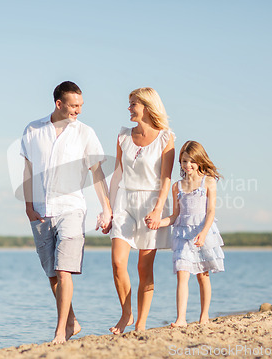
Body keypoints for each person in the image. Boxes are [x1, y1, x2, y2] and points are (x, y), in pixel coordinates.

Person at [20, 81, 112, 344]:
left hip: (72, 209)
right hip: (40, 211)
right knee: (52, 274)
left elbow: (97, 173)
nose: (78, 111)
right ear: (59, 104)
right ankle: (71, 321)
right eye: (74, 106)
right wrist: (28, 206)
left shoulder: (85, 133)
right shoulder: (33, 129)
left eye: (81, 106)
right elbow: (27, 172)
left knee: (64, 270)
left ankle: (60, 332)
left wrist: (106, 208)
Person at [105, 87, 175, 334]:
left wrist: (158, 211)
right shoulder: (123, 136)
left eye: (133, 103)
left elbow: (166, 178)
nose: (129, 108)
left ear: (147, 106)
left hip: (151, 203)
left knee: (144, 268)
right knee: (117, 263)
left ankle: (141, 324)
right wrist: (109, 210)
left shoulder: (166, 138)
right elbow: (117, 174)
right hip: (125, 200)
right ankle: (126, 314)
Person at [158, 140, 225, 327]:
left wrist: (203, 233)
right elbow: (174, 216)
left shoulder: (208, 182)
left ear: (199, 160)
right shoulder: (177, 186)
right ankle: (181, 319)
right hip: (182, 235)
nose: (187, 165)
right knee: (182, 273)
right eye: (184, 161)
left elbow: (211, 211)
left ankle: (204, 315)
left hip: (202, 233)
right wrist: (158, 222)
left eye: (191, 161)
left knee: (203, 276)